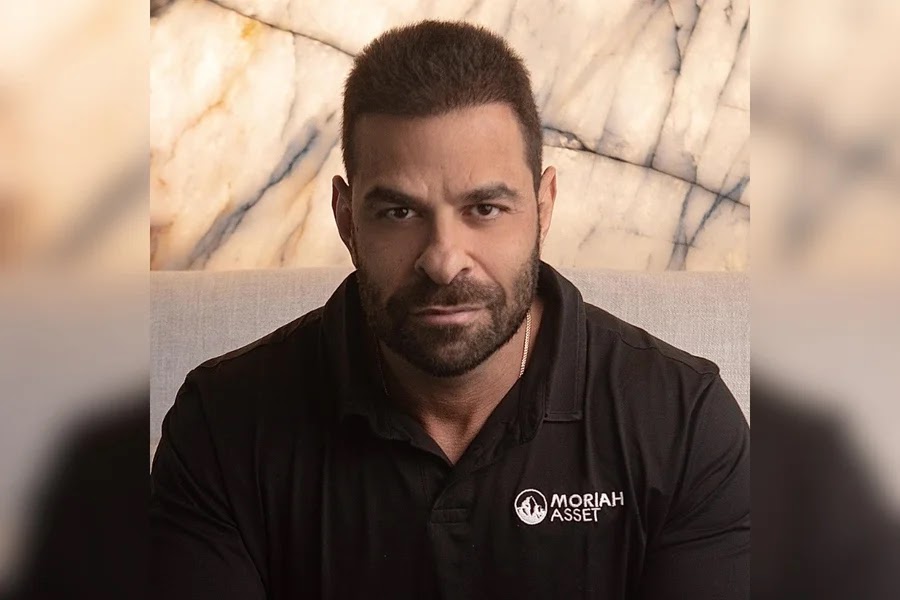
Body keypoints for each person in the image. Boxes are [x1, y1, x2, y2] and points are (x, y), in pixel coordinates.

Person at [150, 20, 750, 599]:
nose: (442, 260)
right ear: (346, 218)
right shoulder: (220, 427)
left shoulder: (684, 422)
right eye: (399, 212)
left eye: (484, 209)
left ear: (543, 208)